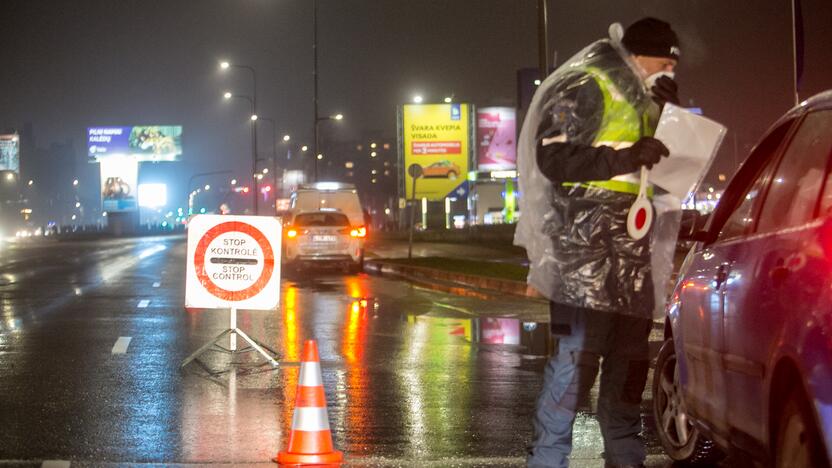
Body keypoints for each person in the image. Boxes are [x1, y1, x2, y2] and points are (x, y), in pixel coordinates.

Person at [515, 18, 681, 468]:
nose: (669, 71)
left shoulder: (654, 101)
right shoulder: (585, 85)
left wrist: (673, 119)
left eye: (674, 65)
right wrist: (627, 156)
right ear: (638, 55)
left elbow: (667, 174)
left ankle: (626, 460)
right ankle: (548, 461)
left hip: (634, 252)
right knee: (576, 363)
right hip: (581, 255)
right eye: (664, 61)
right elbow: (552, 157)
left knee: (628, 369)